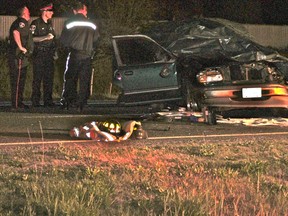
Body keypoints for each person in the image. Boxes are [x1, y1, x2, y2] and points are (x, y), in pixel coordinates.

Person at [59, 2, 99, 111]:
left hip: (74, 54)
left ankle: (69, 100)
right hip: (87, 55)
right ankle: (82, 102)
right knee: (84, 80)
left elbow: (63, 40)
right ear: (83, 10)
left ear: (74, 11)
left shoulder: (69, 23)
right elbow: (96, 40)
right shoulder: (92, 24)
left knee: (70, 78)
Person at [30, 3, 56, 108]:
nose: (52, 13)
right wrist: (45, 37)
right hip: (39, 54)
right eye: (50, 11)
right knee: (37, 78)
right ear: (45, 12)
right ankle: (35, 101)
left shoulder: (50, 23)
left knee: (49, 78)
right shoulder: (35, 23)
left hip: (49, 54)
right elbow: (32, 39)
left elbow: (54, 39)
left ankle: (48, 101)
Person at [7, 5, 33, 110]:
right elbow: (15, 32)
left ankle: (19, 102)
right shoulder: (21, 22)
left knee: (21, 81)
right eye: (28, 11)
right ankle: (16, 104)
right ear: (24, 13)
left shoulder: (24, 23)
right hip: (18, 58)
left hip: (23, 58)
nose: (29, 13)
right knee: (17, 82)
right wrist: (21, 47)